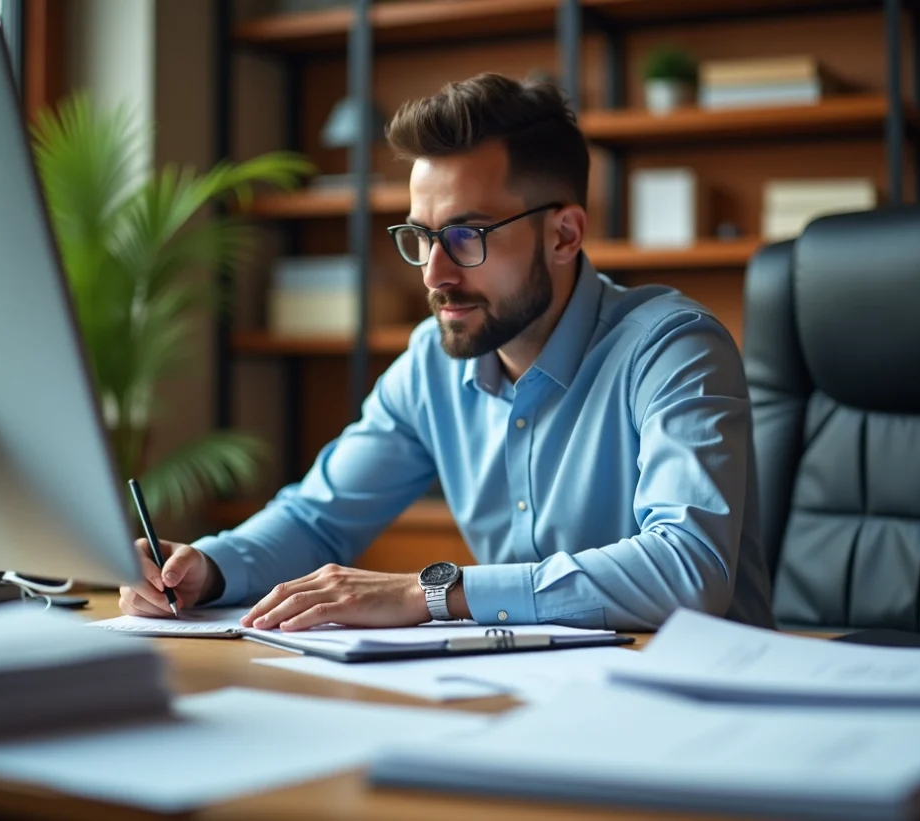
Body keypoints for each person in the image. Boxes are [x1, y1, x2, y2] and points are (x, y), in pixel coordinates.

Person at [119, 72, 773, 633]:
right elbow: (317, 520)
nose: (433, 274)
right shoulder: (431, 365)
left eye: (467, 235)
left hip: (708, 710)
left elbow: (687, 568)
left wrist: (428, 593)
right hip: (532, 700)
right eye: (421, 235)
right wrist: (206, 567)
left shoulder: (673, 349)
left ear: (565, 234)